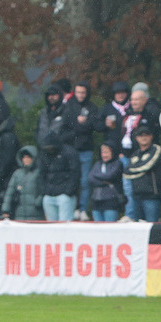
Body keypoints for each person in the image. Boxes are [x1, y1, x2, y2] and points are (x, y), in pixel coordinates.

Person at [63, 80, 99, 220]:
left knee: (85, 181)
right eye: (78, 92)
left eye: (83, 92)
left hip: (86, 149)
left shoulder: (92, 107)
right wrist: (79, 125)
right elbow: (67, 124)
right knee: (72, 179)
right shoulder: (69, 106)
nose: (80, 95)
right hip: (71, 149)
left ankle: (83, 208)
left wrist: (80, 126)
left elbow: (92, 125)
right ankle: (72, 209)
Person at [124, 125, 161, 222]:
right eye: (141, 135)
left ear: (151, 137)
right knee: (138, 231)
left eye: (146, 135)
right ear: (137, 138)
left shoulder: (156, 149)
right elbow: (126, 172)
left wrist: (134, 169)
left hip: (152, 196)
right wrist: (141, 170)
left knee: (152, 227)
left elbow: (147, 166)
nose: (144, 137)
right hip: (137, 196)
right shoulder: (135, 154)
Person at [38, 130, 80, 222]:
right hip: (49, 195)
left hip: (64, 195)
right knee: (51, 227)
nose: (49, 150)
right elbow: (41, 174)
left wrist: (68, 192)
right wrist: (44, 191)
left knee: (64, 226)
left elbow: (75, 174)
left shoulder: (69, 152)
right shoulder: (44, 154)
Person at [2, 147, 44, 220]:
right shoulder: (17, 173)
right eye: (24, 157)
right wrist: (6, 208)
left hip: (36, 212)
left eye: (28, 157)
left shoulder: (39, 172)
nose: (25, 159)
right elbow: (9, 192)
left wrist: (39, 201)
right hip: (19, 212)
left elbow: (44, 189)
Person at [88, 141, 125, 222]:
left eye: (107, 152)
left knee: (109, 227)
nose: (104, 155)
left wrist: (97, 176)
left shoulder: (117, 163)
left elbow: (110, 176)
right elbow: (90, 179)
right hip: (96, 201)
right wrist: (103, 182)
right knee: (98, 229)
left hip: (111, 201)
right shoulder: (98, 164)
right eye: (103, 152)